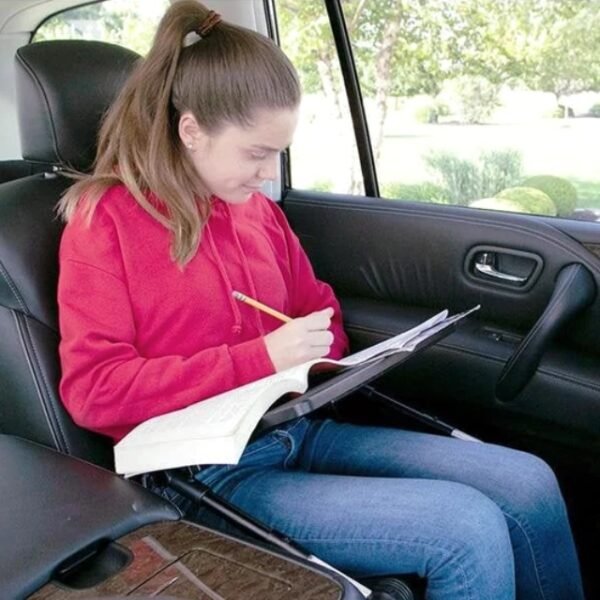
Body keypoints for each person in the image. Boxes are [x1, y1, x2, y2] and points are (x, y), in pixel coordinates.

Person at [56, 2, 584, 599]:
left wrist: (319, 350)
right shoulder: (105, 223)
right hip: (204, 474)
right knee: (465, 530)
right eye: (255, 153)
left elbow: (322, 314)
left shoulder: (257, 213)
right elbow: (94, 391)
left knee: (528, 480)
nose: (268, 173)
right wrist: (263, 356)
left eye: (277, 152)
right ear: (192, 130)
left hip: (297, 428)